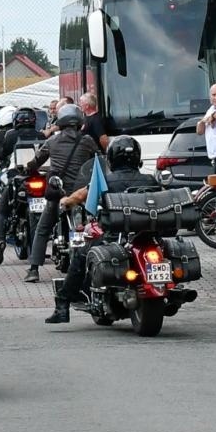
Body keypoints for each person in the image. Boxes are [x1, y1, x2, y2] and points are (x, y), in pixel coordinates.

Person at [45, 135, 157, 324]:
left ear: (112, 158)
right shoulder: (150, 180)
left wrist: (65, 202)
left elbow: (79, 196)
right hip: (148, 236)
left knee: (81, 256)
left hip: (114, 237)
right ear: (138, 157)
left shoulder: (106, 181)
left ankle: (62, 304)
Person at [22, 104, 100, 283]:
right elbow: (98, 159)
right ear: (79, 121)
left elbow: (36, 162)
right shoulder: (87, 141)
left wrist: (27, 167)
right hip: (81, 194)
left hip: (58, 193)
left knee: (43, 229)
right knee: (92, 225)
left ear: (60, 121)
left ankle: (34, 269)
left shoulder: (52, 142)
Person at [0, 106, 48, 262]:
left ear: (16, 120)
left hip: (17, 176)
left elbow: (2, 153)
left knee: (3, 209)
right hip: (39, 175)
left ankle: (0, 240)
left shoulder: (10, 135)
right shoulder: (41, 135)